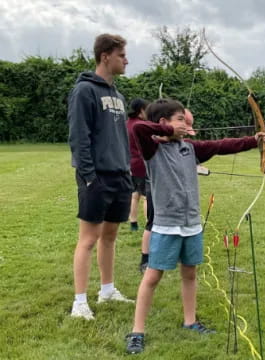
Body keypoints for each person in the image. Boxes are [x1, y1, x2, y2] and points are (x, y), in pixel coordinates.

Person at [124, 99, 265, 354]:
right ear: (163, 123)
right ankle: (137, 331)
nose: (186, 124)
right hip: (166, 226)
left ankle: (190, 321)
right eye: (180, 119)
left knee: (189, 273)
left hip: (191, 224)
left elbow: (221, 146)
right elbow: (137, 129)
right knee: (152, 277)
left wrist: (253, 140)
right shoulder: (152, 148)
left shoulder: (188, 148)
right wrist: (169, 133)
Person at [67, 33, 134, 320]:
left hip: (120, 175)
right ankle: (79, 302)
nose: (126, 60)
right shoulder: (84, 91)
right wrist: (89, 176)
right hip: (96, 177)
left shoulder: (118, 95)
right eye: (121, 55)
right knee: (89, 238)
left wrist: (127, 169)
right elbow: (79, 137)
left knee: (110, 237)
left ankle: (107, 290)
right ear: (105, 56)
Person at [138, 108, 196, 274]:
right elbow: (138, 128)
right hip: (156, 187)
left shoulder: (181, 145)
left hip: (174, 196)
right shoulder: (152, 146)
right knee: (152, 222)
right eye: (181, 123)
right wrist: (169, 129)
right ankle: (145, 259)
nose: (185, 132)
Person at [127, 99, 149, 232]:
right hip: (142, 164)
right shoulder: (142, 125)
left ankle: (133, 223)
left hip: (129, 165)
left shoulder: (125, 124)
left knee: (135, 194)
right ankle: (149, 224)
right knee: (147, 197)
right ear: (141, 110)